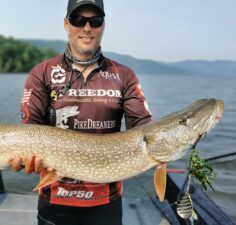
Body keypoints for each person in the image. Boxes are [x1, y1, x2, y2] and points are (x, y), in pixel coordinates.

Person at [10, 0, 152, 224]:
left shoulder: (124, 75)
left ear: (103, 26)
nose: (87, 28)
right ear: (66, 24)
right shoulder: (43, 72)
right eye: (79, 20)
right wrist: (25, 157)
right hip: (54, 199)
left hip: (106, 202)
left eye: (95, 21)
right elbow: (29, 130)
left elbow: (146, 131)